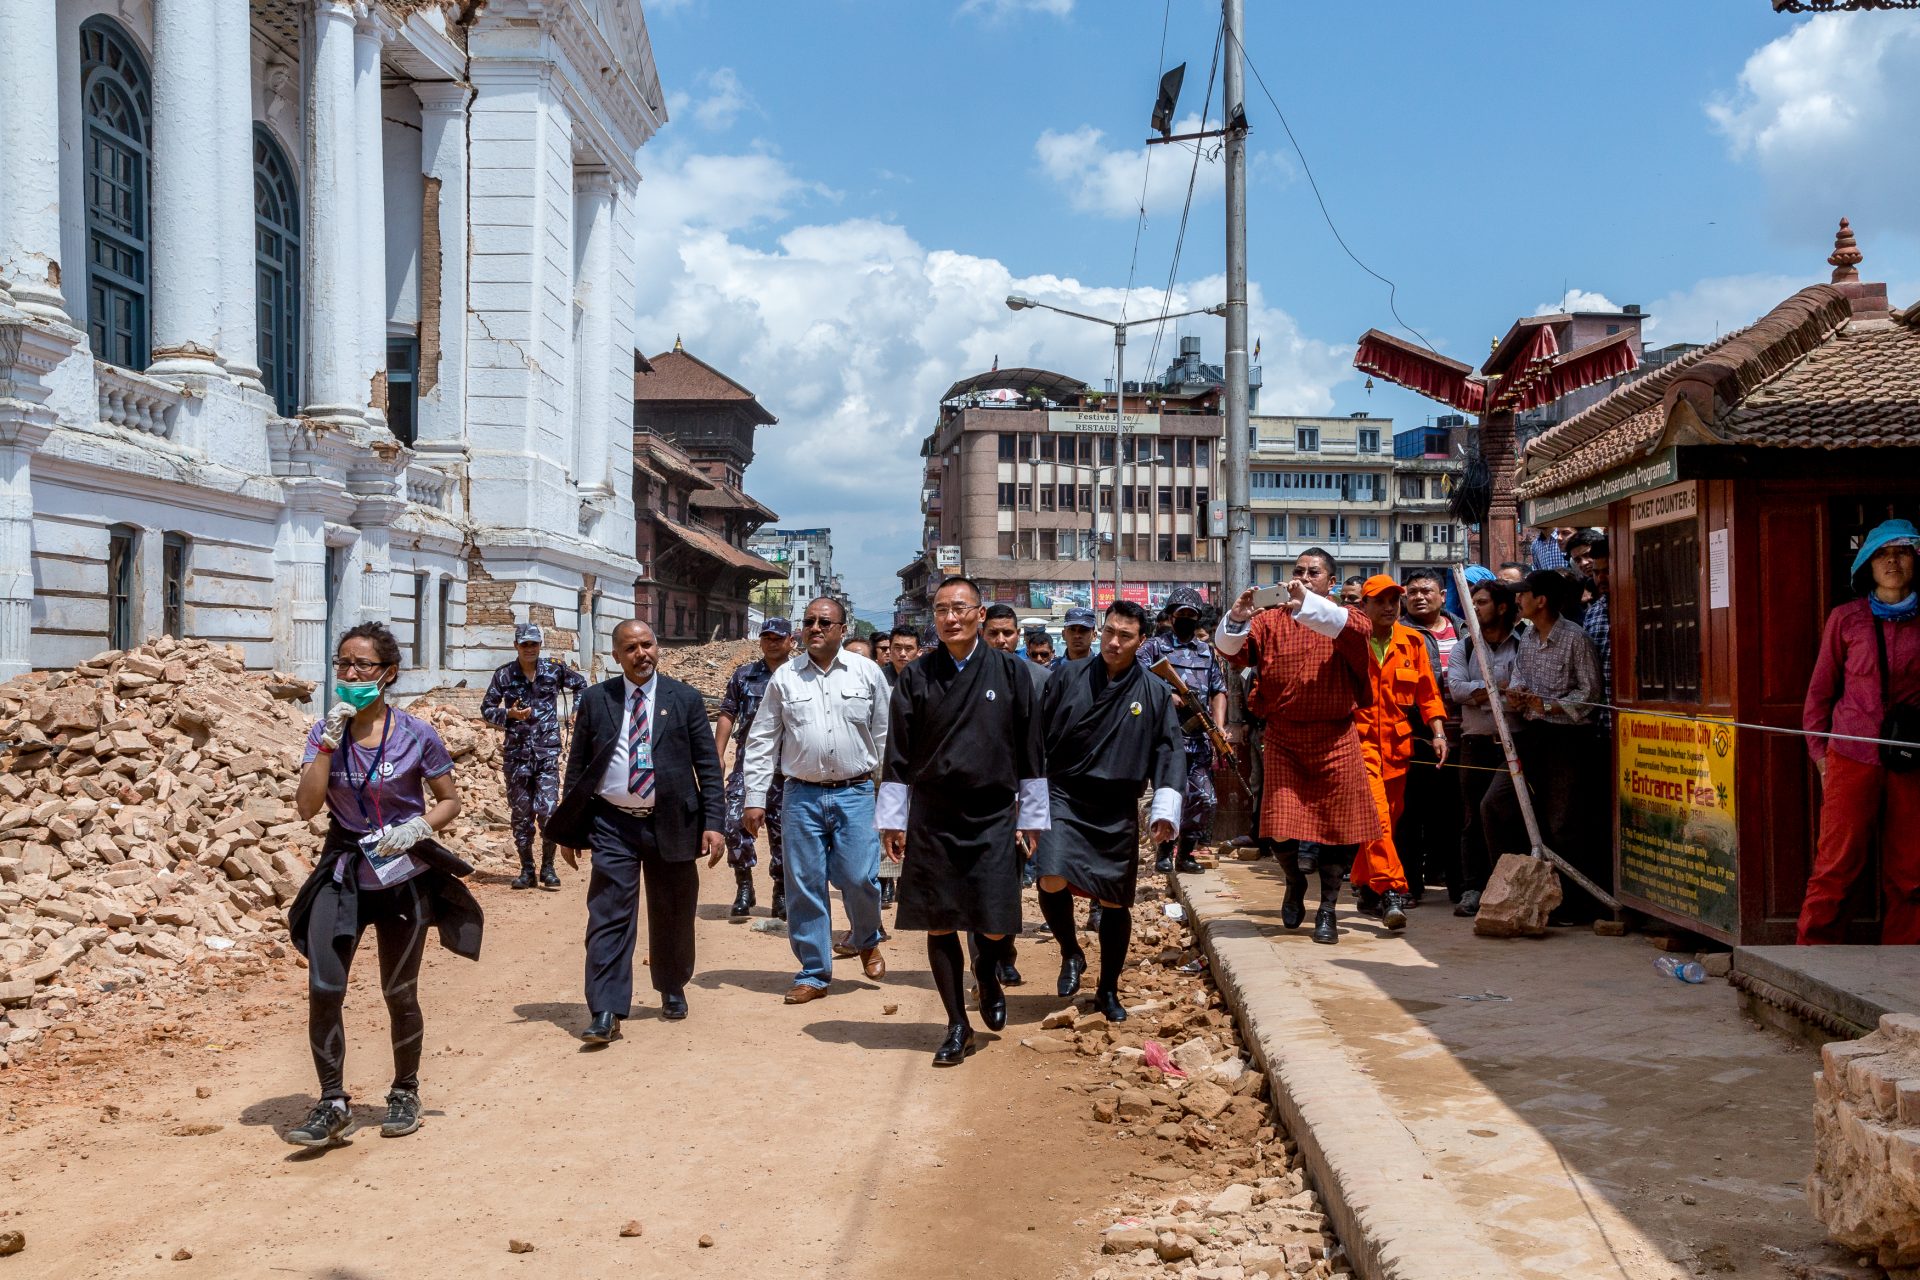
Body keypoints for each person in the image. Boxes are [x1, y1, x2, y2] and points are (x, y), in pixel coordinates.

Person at [284, 622, 480, 1146]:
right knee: (324, 988)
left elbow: (449, 800)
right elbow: (306, 808)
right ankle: (331, 1102)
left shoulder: (416, 733)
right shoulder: (324, 732)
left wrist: (418, 826)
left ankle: (404, 1090)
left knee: (399, 990)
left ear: (387, 674)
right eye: (342, 664)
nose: (349, 674)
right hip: (344, 867)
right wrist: (324, 746)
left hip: (402, 873)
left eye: (362, 665)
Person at [878, 576, 1047, 1066]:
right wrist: (894, 820)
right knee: (939, 923)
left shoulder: (1011, 673)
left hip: (993, 813)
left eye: (959, 608)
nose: (950, 618)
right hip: (932, 813)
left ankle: (989, 971)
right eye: (940, 610)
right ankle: (957, 1024)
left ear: (978, 613)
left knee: (995, 922)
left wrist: (1031, 816)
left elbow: (1031, 749)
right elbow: (898, 754)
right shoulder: (917, 675)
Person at [546, 620, 725, 1043]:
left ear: (657, 647)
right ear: (617, 655)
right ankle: (606, 1009)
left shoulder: (684, 698)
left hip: (674, 821)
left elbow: (708, 768)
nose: (641, 653)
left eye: (647, 645)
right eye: (631, 648)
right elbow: (578, 768)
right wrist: (571, 831)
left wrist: (714, 824)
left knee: (674, 910)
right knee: (608, 914)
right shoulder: (596, 700)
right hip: (613, 823)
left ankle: (672, 985)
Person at [1215, 549, 1379, 945]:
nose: (1303, 577)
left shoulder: (1347, 619)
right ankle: (1292, 880)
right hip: (1285, 734)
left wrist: (1308, 605)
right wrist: (1238, 616)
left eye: (1314, 572)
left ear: (1330, 582)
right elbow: (1231, 652)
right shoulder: (1269, 620)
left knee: (1341, 830)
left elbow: (1352, 632)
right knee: (1279, 826)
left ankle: (1328, 909)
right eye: (1298, 571)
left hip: (1336, 734)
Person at [1034, 601, 1183, 1020]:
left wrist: (1165, 810)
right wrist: (1026, 798)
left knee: (1115, 901)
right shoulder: (1067, 675)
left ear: (1142, 641)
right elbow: (1037, 736)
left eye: (1126, 636)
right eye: (1110, 632)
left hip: (1116, 804)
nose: (1114, 642)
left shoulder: (1154, 692)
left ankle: (1108, 990)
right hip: (1064, 793)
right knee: (1050, 875)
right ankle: (1070, 950)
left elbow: (1169, 752)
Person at [742, 597, 893, 1001]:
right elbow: (761, 740)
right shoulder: (786, 678)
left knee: (859, 877)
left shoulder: (867, 673)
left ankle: (866, 937)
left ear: (844, 629)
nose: (815, 627)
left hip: (856, 792)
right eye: (808, 621)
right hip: (801, 796)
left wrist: (891, 798)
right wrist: (754, 797)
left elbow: (885, 737)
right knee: (804, 883)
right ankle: (813, 971)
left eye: (825, 621)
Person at [1799, 519, 1920, 945]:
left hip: (1910, 762)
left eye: (1902, 552)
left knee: (1912, 870)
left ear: (1915, 559)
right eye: (1882, 554)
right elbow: (1819, 693)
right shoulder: (1846, 619)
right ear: (1868, 565)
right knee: (1836, 866)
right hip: (1851, 756)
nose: (1893, 561)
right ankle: (1811, 962)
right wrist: (1820, 756)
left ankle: (1904, 965)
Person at [1479, 571, 1607, 923]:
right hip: (1531, 736)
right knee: (1496, 805)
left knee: (1562, 823)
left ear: (1542, 600)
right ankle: (1509, 888)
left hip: (1567, 740)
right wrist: (1520, 694)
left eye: (1524, 594)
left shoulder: (1575, 639)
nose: (1517, 600)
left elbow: (1591, 695)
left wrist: (1547, 705)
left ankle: (1572, 905)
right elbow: (1520, 678)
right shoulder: (1529, 638)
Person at [1349, 576, 1446, 930]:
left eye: (1394, 600)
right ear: (1365, 606)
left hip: (1398, 745)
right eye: (1381, 600)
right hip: (1359, 744)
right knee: (1377, 818)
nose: (1390, 606)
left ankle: (1364, 882)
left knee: (1386, 818)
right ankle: (1392, 889)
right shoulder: (1349, 640)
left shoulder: (1413, 642)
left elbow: (1427, 692)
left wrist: (1438, 732)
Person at [478, 623, 588, 891]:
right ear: (516, 646)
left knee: (548, 811)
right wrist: (509, 715)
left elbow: (581, 685)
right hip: (517, 756)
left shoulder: (553, 668)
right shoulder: (504, 675)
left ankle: (548, 868)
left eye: (534, 644)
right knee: (521, 815)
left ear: (540, 645)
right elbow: (486, 709)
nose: (530, 649)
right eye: (524, 644)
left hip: (547, 753)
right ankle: (527, 869)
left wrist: (577, 710)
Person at [1445, 579, 1522, 917]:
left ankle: (1506, 888)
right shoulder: (1465, 648)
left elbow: (1523, 694)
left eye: (1482, 602)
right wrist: (1497, 691)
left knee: (1509, 817)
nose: (1474, 609)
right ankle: (1472, 888)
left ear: (1502, 607)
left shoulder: (1523, 644)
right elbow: (1458, 690)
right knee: (1471, 818)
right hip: (1474, 744)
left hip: (1514, 746)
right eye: (1473, 602)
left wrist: (1488, 695)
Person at [1138, 586, 1226, 876]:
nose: (1186, 618)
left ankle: (1185, 854)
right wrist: (1167, 694)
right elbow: (1137, 678)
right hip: (1165, 738)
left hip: (1198, 737)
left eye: (1191, 615)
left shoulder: (1206, 652)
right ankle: (1165, 850)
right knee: (1170, 794)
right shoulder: (1153, 647)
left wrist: (1220, 726)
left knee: (1204, 798)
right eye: (1181, 614)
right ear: (1171, 616)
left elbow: (1218, 691)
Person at [714, 618, 794, 919]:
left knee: (785, 833)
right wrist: (718, 755)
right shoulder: (745, 675)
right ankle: (744, 885)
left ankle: (781, 891)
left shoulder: (801, 675)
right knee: (735, 822)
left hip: (789, 769)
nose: (772, 642)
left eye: (778, 638)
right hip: (749, 765)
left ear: (790, 641)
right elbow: (727, 713)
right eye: (767, 637)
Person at [983, 603, 1046, 960]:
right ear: (983, 633)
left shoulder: (1039, 679)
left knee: (1012, 877)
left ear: (1018, 635)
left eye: (1008, 633)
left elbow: (1043, 747)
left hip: (1021, 793)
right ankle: (989, 958)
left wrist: (1031, 805)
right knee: (983, 880)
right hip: (980, 798)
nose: (1001, 640)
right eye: (994, 633)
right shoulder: (965, 677)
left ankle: (1004, 950)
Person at [1397, 570, 1463, 903]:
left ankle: (1459, 886)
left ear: (1442, 595)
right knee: (1410, 815)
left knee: (1454, 814)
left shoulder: (1465, 630)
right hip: (1417, 737)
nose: (1419, 597)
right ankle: (1410, 885)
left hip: (1463, 733)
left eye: (1427, 591)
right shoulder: (1398, 633)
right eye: (1412, 592)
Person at [1568, 532, 1612, 717]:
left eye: (1607, 571)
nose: (1601, 578)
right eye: (1596, 573)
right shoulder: (1594, 613)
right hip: (1600, 720)